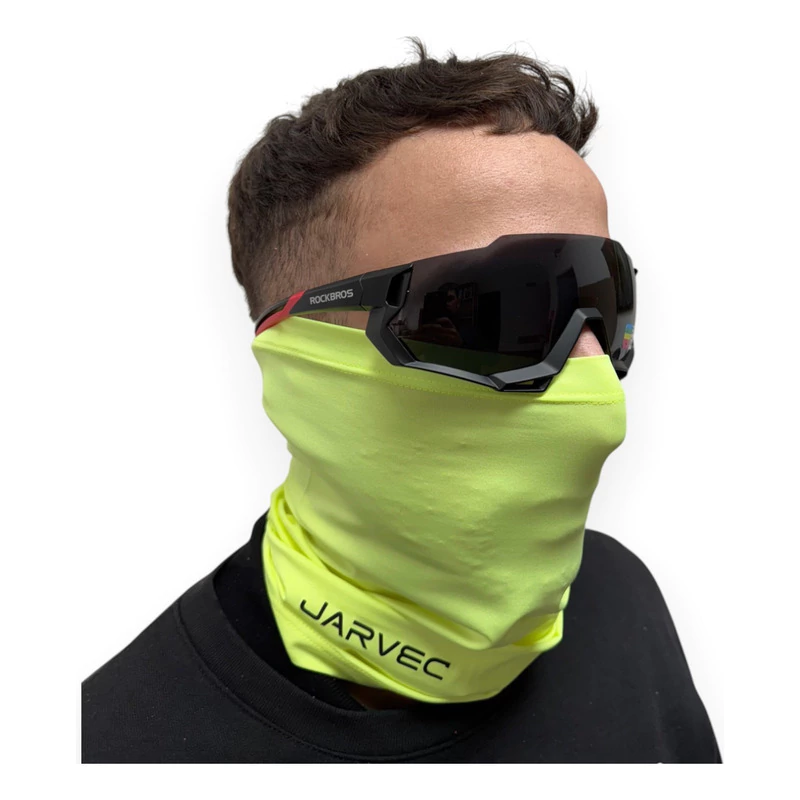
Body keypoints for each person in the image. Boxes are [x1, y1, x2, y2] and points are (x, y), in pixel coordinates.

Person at [81, 37, 721, 763]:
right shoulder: (114, 748)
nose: (595, 386)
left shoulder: (620, 596)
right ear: (297, 357)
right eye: (504, 309)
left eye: (606, 306)